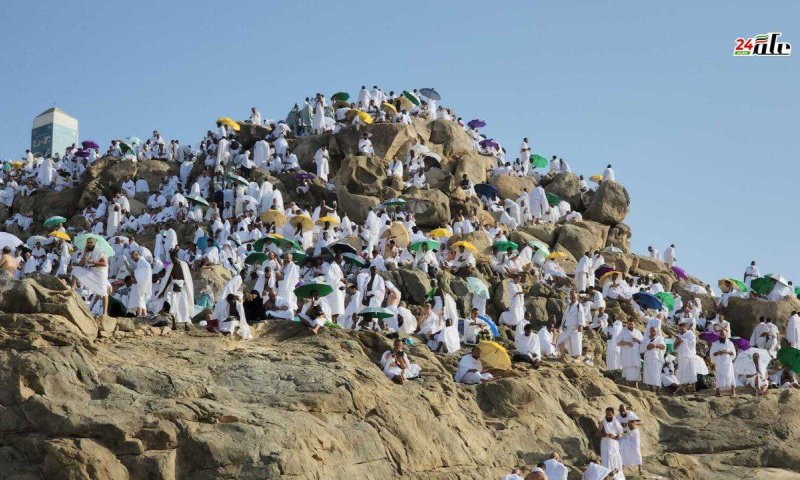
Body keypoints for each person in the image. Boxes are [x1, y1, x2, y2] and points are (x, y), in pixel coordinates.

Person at [71, 237, 110, 316]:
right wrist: (85, 255)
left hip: (101, 274)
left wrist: (94, 262)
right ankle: (72, 288)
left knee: (103, 293)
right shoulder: (87, 252)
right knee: (76, 269)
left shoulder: (99, 251)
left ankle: (104, 313)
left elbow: (104, 264)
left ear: (94, 244)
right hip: (92, 272)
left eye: (91, 243)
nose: (89, 244)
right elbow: (81, 265)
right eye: (88, 242)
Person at [558, 291, 586, 359]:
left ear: (576, 296)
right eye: (571, 295)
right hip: (567, 328)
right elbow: (565, 316)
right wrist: (562, 325)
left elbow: (581, 315)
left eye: (574, 296)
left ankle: (578, 358)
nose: (573, 297)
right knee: (560, 341)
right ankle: (562, 357)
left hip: (575, 328)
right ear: (570, 296)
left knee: (576, 344)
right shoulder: (568, 305)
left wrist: (580, 325)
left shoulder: (579, 305)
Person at [616, 404, 642, 475]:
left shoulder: (630, 414)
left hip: (634, 433)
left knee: (636, 448)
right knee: (622, 448)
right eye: (621, 411)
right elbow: (614, 423)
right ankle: (622, 467)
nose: (622, 412)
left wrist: (633, 422)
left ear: (626, 410)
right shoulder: (618, 417)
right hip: (625, 433)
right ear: (619, 411)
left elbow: (641, 422)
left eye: (623, 410)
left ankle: (640, 468)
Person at [617, 319, 643, 388]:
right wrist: (627, 343)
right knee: (628, 373)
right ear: (627, 324)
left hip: (636, 356)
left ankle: (636, 388)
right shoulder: (623, 332)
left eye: (632, 324)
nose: (630, 325)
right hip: (627, 356)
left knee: (637, 373)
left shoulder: (638, 332)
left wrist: (637, 340)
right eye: (629, 324)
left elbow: (643, 344)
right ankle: (629, 388)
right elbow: (618, 342)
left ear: (634, 324)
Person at [597, 407, 623, 474]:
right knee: (606, 458)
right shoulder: (603, 422)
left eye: (609, 414)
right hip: (606, 443)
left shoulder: (616, 422)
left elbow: (620, 432)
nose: (608, 416)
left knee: (615, 457)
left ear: (613, 414)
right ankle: (607, 473)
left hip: (614, 442)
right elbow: (598, 433)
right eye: (607, 414)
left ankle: (615, 472)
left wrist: (618, 436)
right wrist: (606, 435)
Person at [710, 332, 737, 397]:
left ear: (726, 335)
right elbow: (712, 354)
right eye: (721, 334)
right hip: (719, 363)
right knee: (719, 376)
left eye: (723, 335)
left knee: (731, 375)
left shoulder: (730, 343)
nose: (722, 336)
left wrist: (726, 352)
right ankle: (717, 392)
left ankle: (733, 391)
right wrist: (719, 352)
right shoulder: (715, 344)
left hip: (728, 362)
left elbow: (733, 353)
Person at [673, 322, 697, 395]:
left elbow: (693, 343)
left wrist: (683, 341)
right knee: (682, 371)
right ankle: (682, 388)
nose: (681, 330)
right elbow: (674, 346)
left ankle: (693, 388)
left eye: (682, 329)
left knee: (692, 370)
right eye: (680, 329)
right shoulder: (678, 335)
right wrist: (678, 342)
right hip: (681, 356)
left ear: (686, 327)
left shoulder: (690, 334)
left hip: (690, 355)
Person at [641, 326, 666, 393]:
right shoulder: (646, 339)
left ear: (656, 331)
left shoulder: (660, 338)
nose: (652, 332)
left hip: (656, 359)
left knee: (656, 373)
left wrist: (655, 346)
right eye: (651, 331)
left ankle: (657, 389)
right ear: (649, 331)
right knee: (648, 374)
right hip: (648, 358)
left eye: (654, 331)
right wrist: (647, 347)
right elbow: (641, 349)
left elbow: (663, 347)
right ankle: (651, 388)